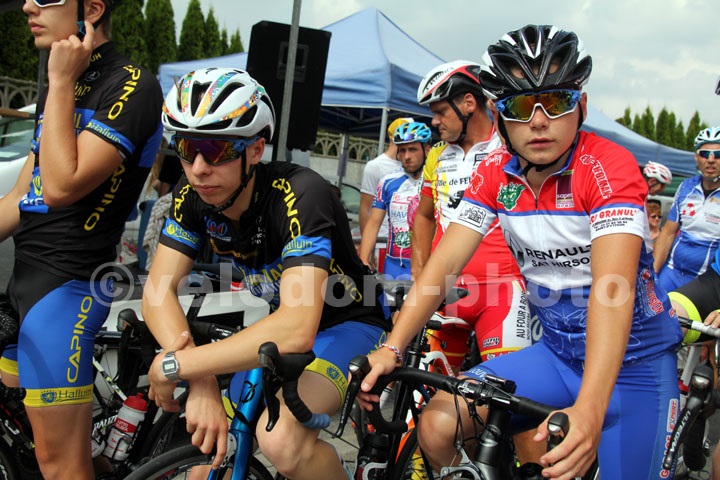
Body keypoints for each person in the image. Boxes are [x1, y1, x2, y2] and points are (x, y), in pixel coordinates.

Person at [358, 24, 682, 480]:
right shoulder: (494, 172)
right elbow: (445, 263)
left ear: (582, 105)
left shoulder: (607, 167)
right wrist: (392, 347)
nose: (539, 121)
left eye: (556, 101)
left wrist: (590, 408)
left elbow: (614, 290)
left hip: (635, 364)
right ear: (498, 114)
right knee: (437, 423)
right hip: (557, 356)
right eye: (520, 106)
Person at [142, 67, 390, 480]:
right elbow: (156, 293)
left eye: (217, 150)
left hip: (349, 324)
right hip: (280, 329)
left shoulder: (301, 192)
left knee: (282, 442)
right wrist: (198, 375)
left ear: (256, 150)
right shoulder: (191, 197)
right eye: (186, 147)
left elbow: (297, 328)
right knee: (206, 461)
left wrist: (175, 366)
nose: (198, 167)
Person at [0, 0, 163, 478]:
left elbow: (60, 186)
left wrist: (60, 83)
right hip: (24, 282)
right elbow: (23, 195)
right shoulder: (64, 77)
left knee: (60, 464)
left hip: (67, 289)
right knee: (33, 447)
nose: (28, 5)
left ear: (91, 8)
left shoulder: (132, 84)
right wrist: (61, 83)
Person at [411, 60, 531, 372]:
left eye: (441, 112)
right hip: (446, 290)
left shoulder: (510, 149)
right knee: (426, 389)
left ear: (468, 103)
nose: (434, 121)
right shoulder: (436, 155)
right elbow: (424, 216)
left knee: (504, 389)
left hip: (501, 289)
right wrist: (420, 273)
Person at [359, 121, 431, 280]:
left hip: (426, 264)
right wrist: (364, 260)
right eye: (402, 150)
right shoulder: (387, 181)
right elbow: (374, 222)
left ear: (427, 150)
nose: (407, 156)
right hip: (393, 265)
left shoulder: (436, 181)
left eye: (413, 149)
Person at [653, 127, 720, 293]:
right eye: (705, 154)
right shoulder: (686, 187)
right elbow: (668, 233)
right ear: (697, 157)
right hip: (672, 270)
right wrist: (652, 272)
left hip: (703, 278)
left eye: (718, 155)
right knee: (650, 306)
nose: (711, 160)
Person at [359, 116, 414, 234]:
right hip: (381, 237)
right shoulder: (375, 166)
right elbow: (365, 208)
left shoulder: (412, 165)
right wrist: (366, 241)